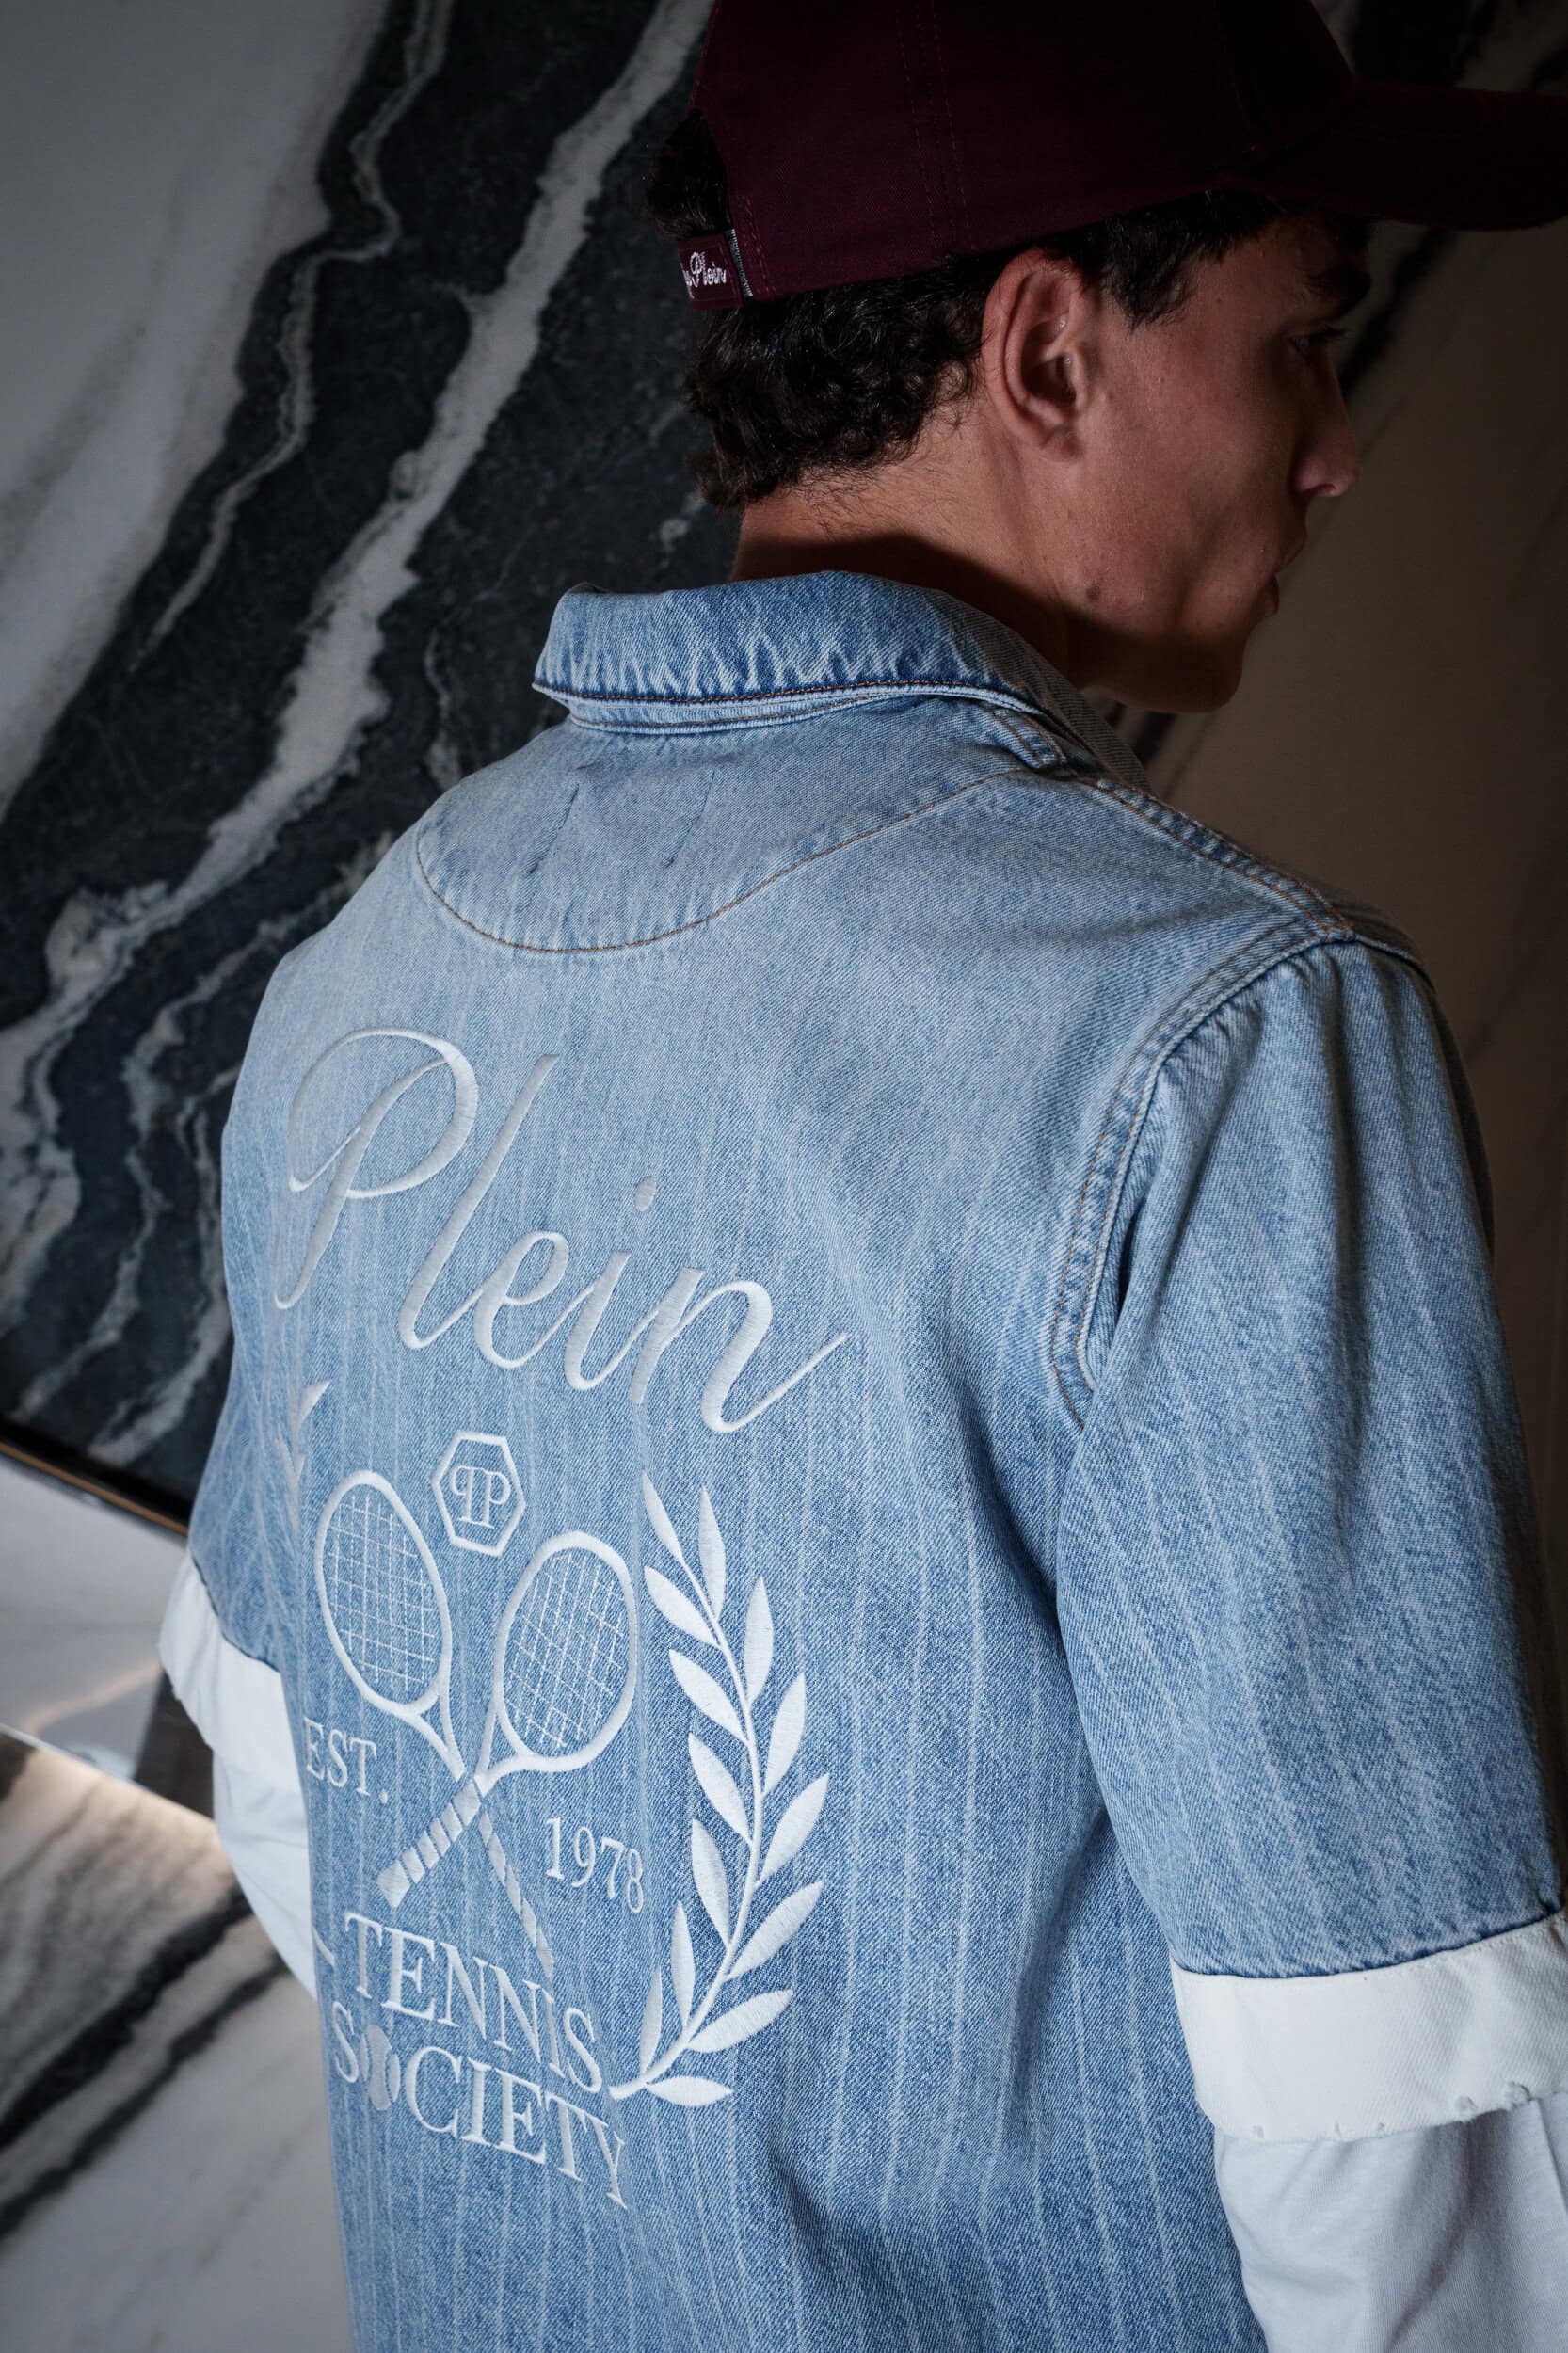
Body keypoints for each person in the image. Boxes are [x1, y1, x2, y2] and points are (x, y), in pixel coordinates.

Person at [158, 3, 1568, 2346]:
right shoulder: (1219, 1033)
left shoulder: (372, 961)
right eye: (1297, 341)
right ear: (1043, 352)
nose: (1331, 451)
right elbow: (1389, 2100)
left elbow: (306, 1809)